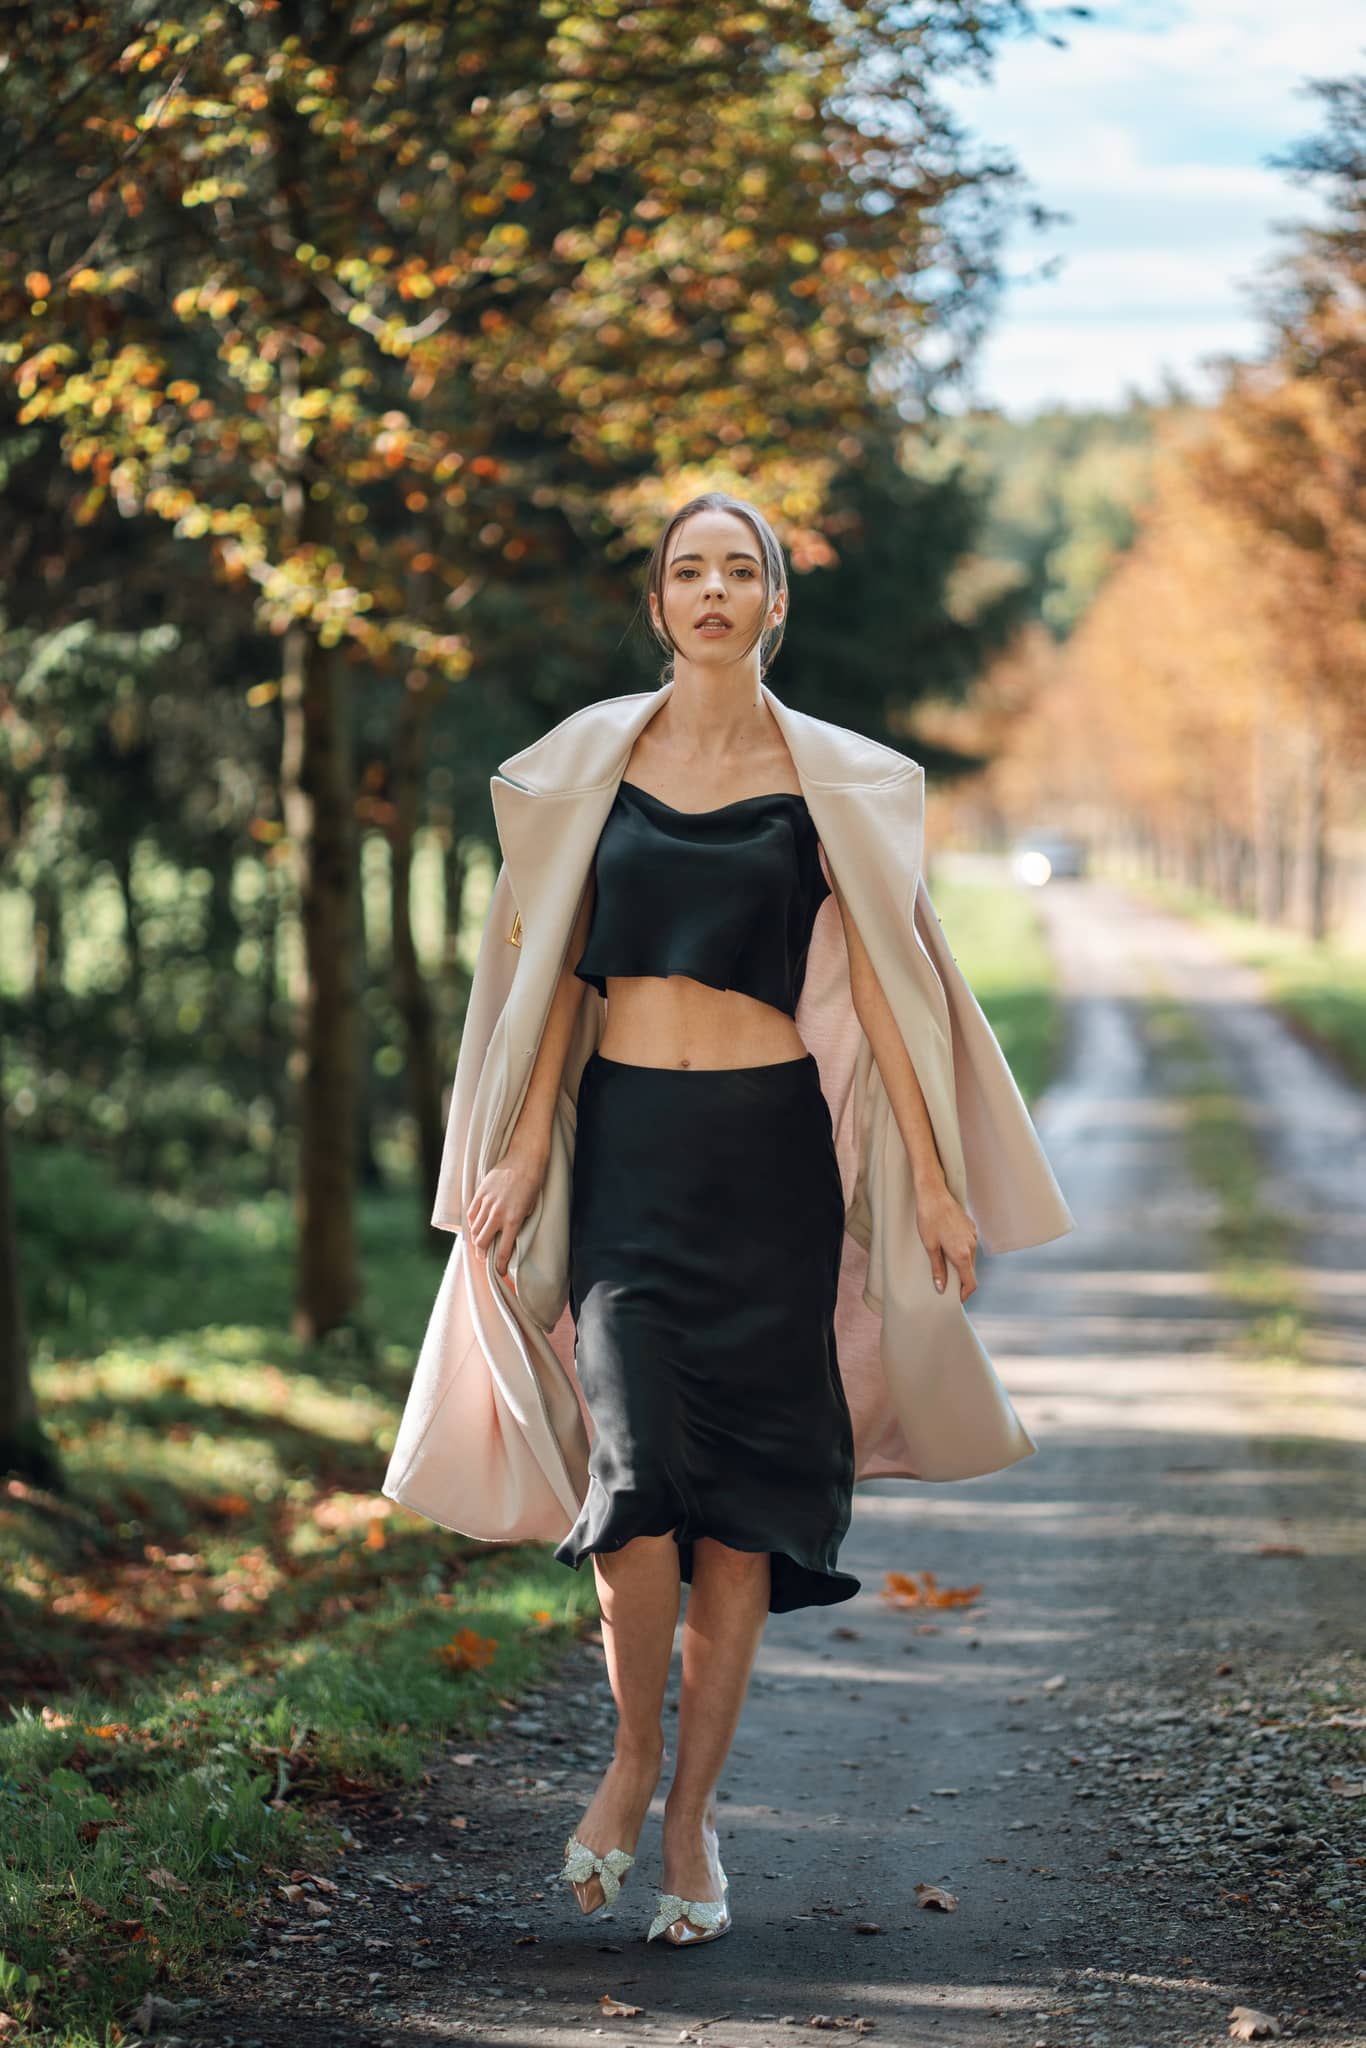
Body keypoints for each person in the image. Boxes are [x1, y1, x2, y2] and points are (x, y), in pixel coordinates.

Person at [461, 491, 984, 1949]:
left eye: (735, 570)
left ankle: (693, 1813)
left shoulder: (833, 785)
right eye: (685, 571)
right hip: (630, 1155)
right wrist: (513, 1150)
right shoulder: (593, 769)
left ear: (771, 605)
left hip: (771, 1166)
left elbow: (886, 975)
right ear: (655, 605)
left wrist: (933, 1176)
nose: (709, 592)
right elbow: (554, 978)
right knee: (633, 1485)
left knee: (744, 1512)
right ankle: (628, 1765)